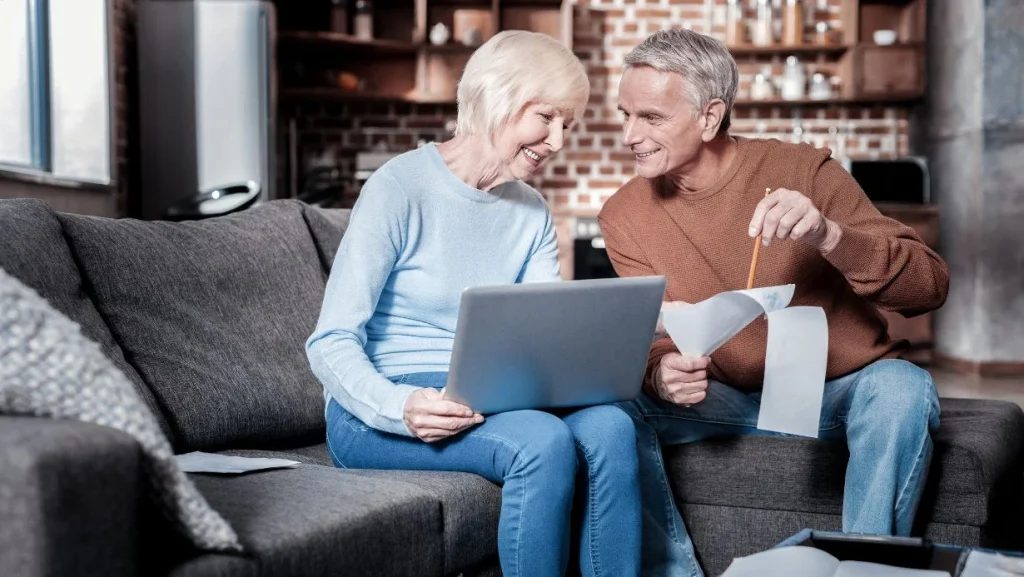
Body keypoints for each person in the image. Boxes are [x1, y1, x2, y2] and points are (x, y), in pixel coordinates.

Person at [598, 29, 950, 577]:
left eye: (650, 117)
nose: (628, 134)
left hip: (839, 392)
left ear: (710, 117)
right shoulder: (623, 216)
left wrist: (829, 234)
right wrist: (661, 371)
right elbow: (656, 337)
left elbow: (928, 287)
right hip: (731, 400)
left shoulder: (803, 171)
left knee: (902, 389)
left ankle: (860, 568)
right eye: (625, 114)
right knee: (606, 411)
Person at [306, 30, 641, 577]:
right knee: (541, 441)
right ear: (498, 98)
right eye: (547, 117)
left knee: (611, 426)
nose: (558, 141)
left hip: (490, 394)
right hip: (383, 408)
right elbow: (330, 341)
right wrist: (401, 406)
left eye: (568, 124)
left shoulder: (530, 211)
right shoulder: (400, 188)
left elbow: (544, 341)